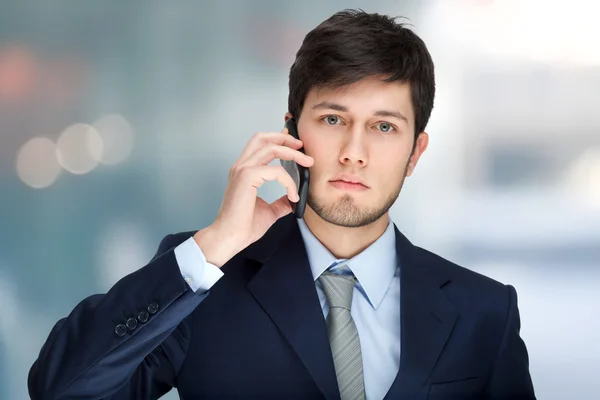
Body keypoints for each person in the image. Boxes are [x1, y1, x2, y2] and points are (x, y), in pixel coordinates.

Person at [28, 9, 535, 400]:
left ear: (415, 152)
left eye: (384, 127)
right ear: (291, 133)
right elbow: (62, 388)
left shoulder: (483, 312)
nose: (353, 153)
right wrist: (215, 244)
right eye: (333, 119)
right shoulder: (202, 284)